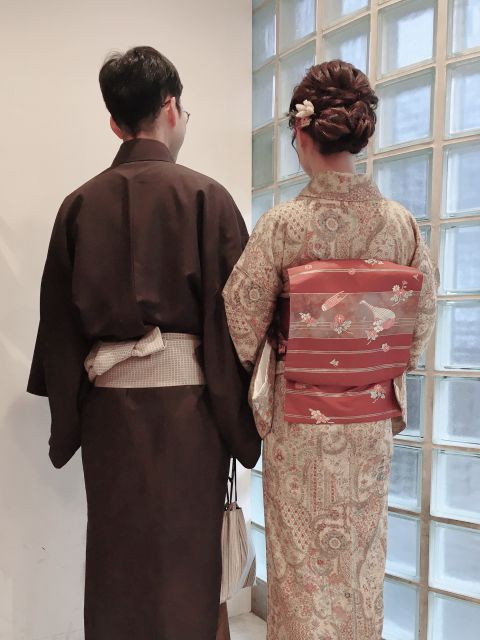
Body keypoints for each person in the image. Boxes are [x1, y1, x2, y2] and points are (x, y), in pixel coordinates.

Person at [27, 46, 260, 640]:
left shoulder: (79, 205)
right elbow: (239, 325)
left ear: (114, 122)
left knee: (118, 561)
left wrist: (68, 421)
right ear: (172, 107)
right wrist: (240, 420)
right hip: (192, 418)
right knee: (188, 565)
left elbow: (59, 328)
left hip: (110, 419)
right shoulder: (208, 198)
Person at [223, 60, 437, 640]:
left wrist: (284, 353)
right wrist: (364, 360)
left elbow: (240, 321)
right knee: (359, 568)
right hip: (366, 424)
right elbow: (417, 331)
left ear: (301, 129)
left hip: (301, 423)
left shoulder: (285, 225)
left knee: (301, 572)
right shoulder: (400, 225)